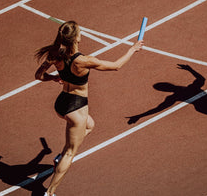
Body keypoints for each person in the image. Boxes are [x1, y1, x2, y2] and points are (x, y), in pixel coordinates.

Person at [35, 21, 144, 196]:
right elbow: (116, 66)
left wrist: (54, 78)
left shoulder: (55, 53)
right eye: (80, 32)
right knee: (71, 153)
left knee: (90, 125)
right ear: (76, 38)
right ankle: (49, 192)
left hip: (61, 103)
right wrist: (132, 49)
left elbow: (38, 76)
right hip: (77, 108)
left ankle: (59, 158)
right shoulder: (84, 61)